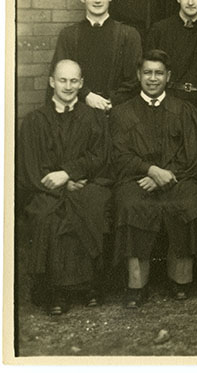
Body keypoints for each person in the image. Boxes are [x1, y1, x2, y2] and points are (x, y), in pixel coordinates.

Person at [16, 60, 112, 315]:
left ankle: (89, 285)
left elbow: (100, 157)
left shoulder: (93, 118)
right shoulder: (34, 121)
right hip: (46, 188)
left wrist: (70, 173)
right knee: (48, 214)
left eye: (73, 81)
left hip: (84, 183)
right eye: (62, 80)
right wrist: (61, 182)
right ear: (52, 82)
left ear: (81, 84)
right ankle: (55, 291)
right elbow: (29, 168)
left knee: (92, 204)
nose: (68, 86)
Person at [110, 49, 197, 308]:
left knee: (188, 201)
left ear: (168, 76)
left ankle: (180, 279)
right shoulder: (122, 112)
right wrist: (150, 170)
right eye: (148, 73)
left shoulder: (183, 109)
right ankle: (137, 284)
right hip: (136, 179)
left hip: (178, 177)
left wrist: (166, 176)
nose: (153, 78)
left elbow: (192, 154)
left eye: (159, 73)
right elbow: (119, 155)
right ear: (139, 75)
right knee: (131, 204)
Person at [51, 0, 142, 112]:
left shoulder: (129, 35)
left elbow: (134, 80)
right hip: (78, 113)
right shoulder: (69, 35)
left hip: (117, 113)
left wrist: (112, 101)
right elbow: (60, 77)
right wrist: (86, 95)